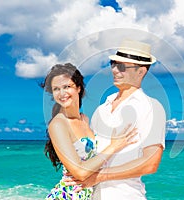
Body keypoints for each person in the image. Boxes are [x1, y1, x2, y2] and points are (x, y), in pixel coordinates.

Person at [65, 39, 166, 199]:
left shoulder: (151, 108)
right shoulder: (101, 109)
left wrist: (99, 176)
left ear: (141, 71)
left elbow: (150, 163)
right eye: (113, 63)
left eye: (122, 66)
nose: (114, 70)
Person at [41, 63, 138, 200]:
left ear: (78, 88)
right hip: (68, 196)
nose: (62, 93)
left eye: (67, 87)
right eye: (56, 89)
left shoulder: (84, 119)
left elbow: (92, 161)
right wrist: (114, 146)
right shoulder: (58, 124)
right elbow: (80, 172)